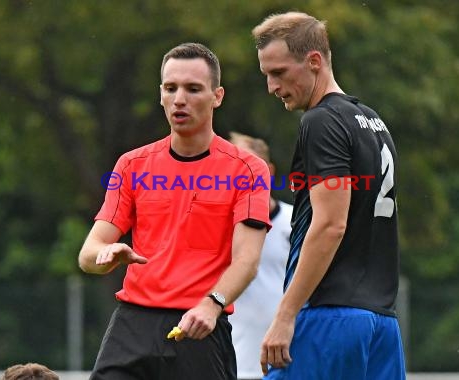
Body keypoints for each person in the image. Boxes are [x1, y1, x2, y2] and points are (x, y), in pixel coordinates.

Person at [78, 42, 271, 380]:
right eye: (171, 88)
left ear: (217, 96)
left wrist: (211, 305)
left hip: (200, 326)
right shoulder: (131, 165)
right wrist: (105, 254)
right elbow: (87, 255)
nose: (179, 98)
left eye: (193, 89)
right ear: (161, 94)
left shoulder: (249, 169)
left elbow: (247, 261)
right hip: (131, 325)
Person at [252, 11, 406, 380]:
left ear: (314, 61)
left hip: (329, 318)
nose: (272, 87)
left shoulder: (321, 121)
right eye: (267, 75)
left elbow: (330, 225)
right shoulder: (374, 123)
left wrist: (285, 315)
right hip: (381, 324)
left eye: (279, 73)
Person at [227, 132, 293, 380]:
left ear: (269, 171)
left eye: (249, 166)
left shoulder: (297, 223)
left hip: (286, 363)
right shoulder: (213, 227)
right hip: (228, 364)